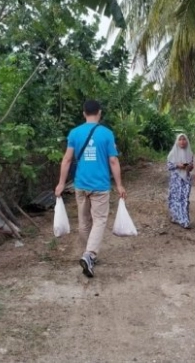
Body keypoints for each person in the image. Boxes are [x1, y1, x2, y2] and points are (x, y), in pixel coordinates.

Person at [55, 100, 127, 278]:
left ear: (83, 113)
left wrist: (61, 183)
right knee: (100, 220)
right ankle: (89, 254)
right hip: (100, 185)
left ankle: (88, 254)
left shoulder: (74, 133)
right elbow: (113, 160)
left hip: (81, 184)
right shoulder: (107, 134)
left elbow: (67, 159)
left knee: (84, 222)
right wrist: (119, 184)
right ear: (99, 113)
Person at [167, 134, 194, 229]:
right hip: (176, 180)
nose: (182, 141)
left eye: (184, 139)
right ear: (177, 141)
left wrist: (189, 167)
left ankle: (184, 220)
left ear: (187, 141)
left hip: (186, 179)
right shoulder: (172, 153)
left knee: (185, 199)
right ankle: (177, 218)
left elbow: (191, 167)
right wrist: (177, 165)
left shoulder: (189, 153)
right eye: (180, 139)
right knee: (176, 199)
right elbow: (169, 166)